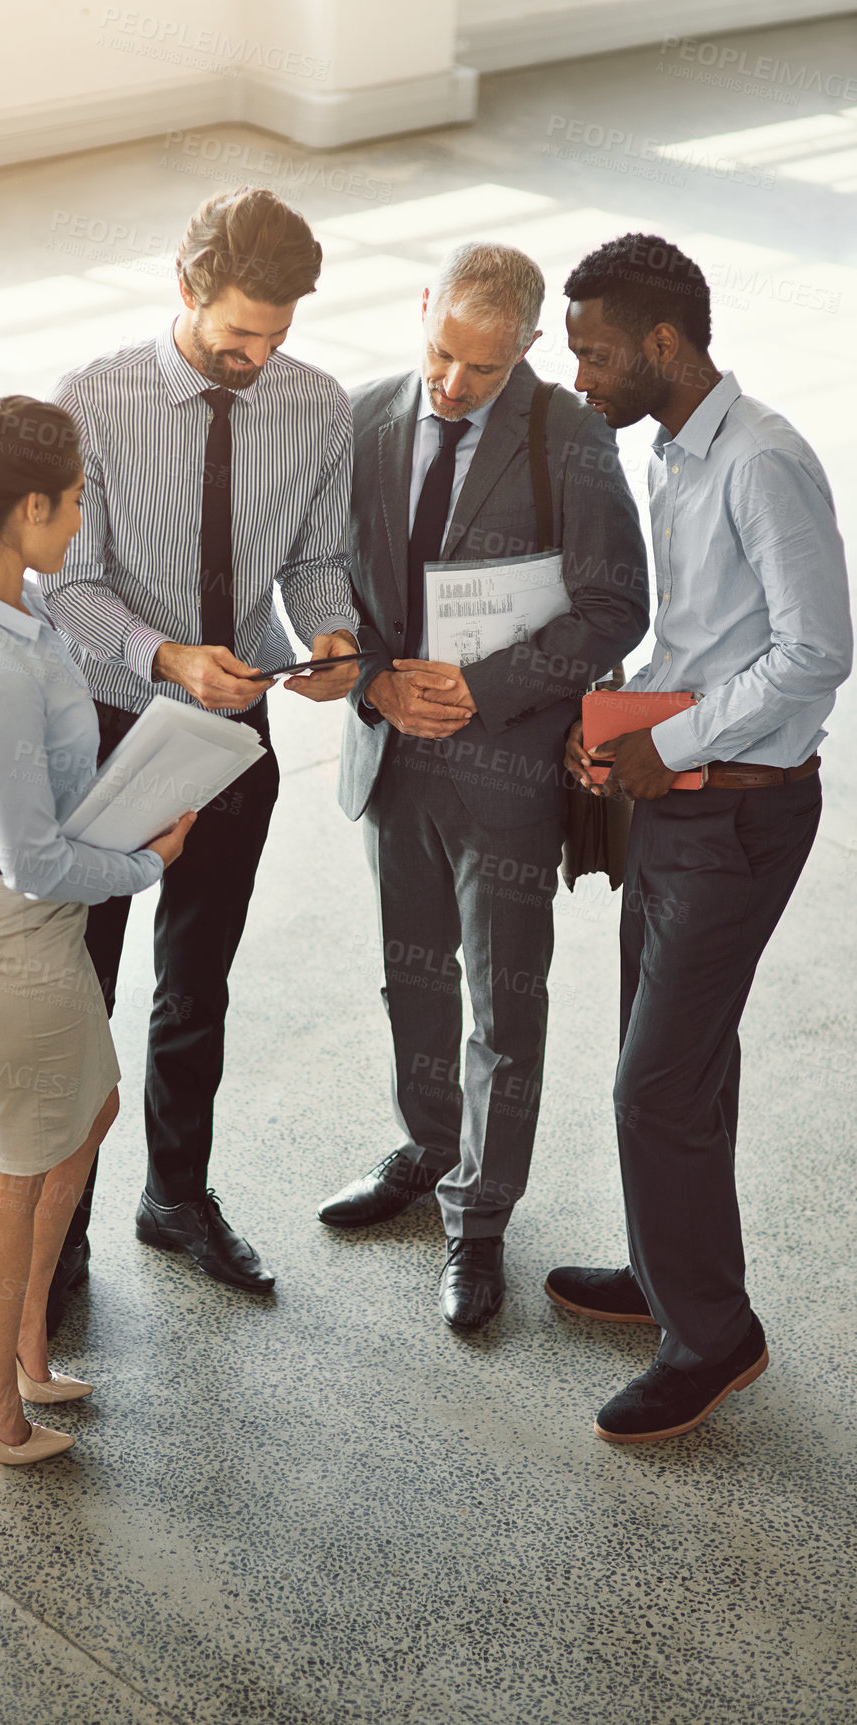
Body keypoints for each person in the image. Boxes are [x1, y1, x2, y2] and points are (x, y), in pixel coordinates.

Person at [549, 232, 852, 1442]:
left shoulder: (763, 461)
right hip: (677, 800)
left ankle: (715, 1339)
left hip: (737, 813)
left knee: (654, 1082)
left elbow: (814, 654)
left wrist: (661, 751)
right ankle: (668, 1275)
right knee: (670, 1055)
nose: (582, 377)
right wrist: (620, 718)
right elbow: (704, 641)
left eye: (594, 352)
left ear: (663, 343)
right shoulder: (675, 453)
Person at [319, 242, 649, 1333]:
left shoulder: (573, 438)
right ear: (422, 310)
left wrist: (485, 688)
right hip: (390, 752)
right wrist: (373, 685)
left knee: (506, 1001)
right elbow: (328, 579)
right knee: (408, 976)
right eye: (439, 353)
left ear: (527, 347)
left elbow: (614, 607)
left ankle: (480, 1217)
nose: (449, 384)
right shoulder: (365, 418)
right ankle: (425, 1147)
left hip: (505, 766)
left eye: (480, 367)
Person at [43, 186, 361, 1309]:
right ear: (183, 291)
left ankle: (176, 1194)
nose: (258, 356)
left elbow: (317, 560)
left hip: (234, 725)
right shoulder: (93, 399)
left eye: (277, 336)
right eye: (239, 333)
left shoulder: (313, 407)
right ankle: (56, 1226)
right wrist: (166, 655)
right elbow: (65, 587)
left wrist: (329, 632)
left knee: (197, 978)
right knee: (84, 986)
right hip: (110, 724)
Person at [0, 395, 194, 1465]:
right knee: (6, 1174)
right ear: (28, 507)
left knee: (88, 1110)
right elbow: (31, 861)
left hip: (24, 928)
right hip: (8, 934)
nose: (80, 522)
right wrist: (147, 863)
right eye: (72, 504)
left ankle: (21, 1345)